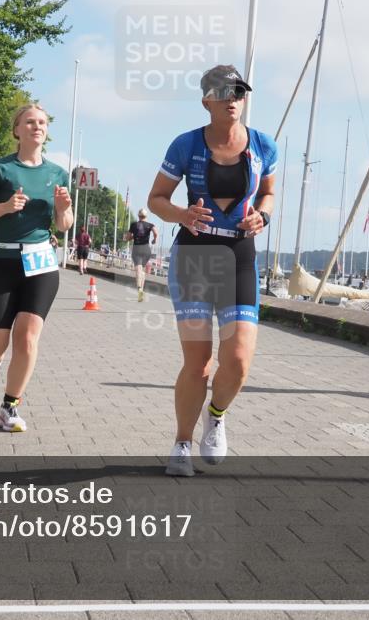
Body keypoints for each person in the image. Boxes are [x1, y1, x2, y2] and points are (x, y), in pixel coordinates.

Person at [147, 65, 276, 477]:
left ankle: (216, 415)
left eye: (239, 91)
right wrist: (182, 213)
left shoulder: (262, 145)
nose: (233, 98)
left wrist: (263, 216)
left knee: (237, 359)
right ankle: (182, 442)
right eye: (224, 92)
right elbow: (156, 199)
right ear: (207, 101)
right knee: (199, 361)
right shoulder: (186, 144)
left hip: (239, 254)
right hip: (196, 256)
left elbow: (269, 192)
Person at [0, 103, 73, 432]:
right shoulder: (1, 169)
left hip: (40, 263)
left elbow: (65, 224)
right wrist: (5, 207)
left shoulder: (58, 174)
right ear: (17, 130)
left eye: (42, 122)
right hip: (1, 261)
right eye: (29, 121)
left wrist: (63, 208)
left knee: (27, 338)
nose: (37, 126)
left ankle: (10, 406)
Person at [125, 208, 158, 301]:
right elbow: (155, 232)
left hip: (137, 248)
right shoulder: (150, 225)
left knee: (138, 269)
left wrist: (129, 238)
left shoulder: (133, 225)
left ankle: (139, 288)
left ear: (138, 216)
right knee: (142, 269)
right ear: (146, 216)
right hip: (146, 249)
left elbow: (128, 237)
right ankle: (142, 290)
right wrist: (154, 240)